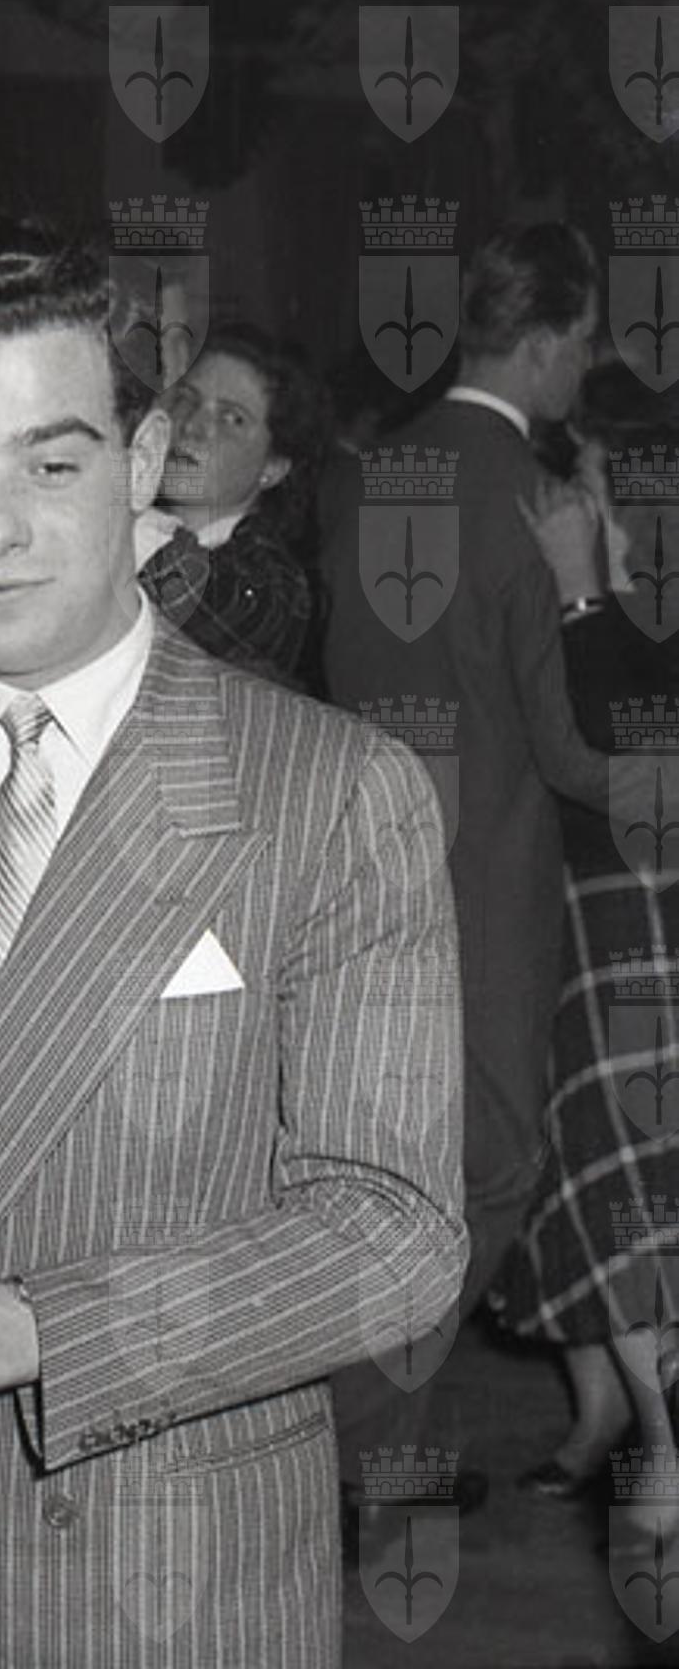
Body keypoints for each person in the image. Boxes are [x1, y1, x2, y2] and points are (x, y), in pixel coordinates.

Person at [0, 217, 465, 1668]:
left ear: (143, 462)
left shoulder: (329, 791)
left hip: (161, 1584)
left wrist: (27, 1330)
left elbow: (394, 1237)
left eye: (51, 464)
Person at [320, 221, 618, 1529]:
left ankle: (383, 1445)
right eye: (585, 342)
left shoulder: (365, 476)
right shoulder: (530, 502)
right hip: (485, 889)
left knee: (392, 1174)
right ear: (543, 344)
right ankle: (345, 1447)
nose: (587, 366)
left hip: (361, 877)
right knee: (488, 1170)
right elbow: (574, 751)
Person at [498, 365, 679, 1538]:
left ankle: (662, 1440)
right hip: (579, 899)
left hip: (645, 904)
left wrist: (579, 594)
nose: (592, 489)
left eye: (605, 469)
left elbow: (627, 744)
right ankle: (619, 1415)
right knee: (595, 1171)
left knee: (635, 1180)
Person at [134, 322, 326, 684]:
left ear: (273, 467)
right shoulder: (129, 521)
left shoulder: (273, 586)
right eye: (186, 399)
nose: (192, 426)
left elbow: (201, 609)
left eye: (232, 418)